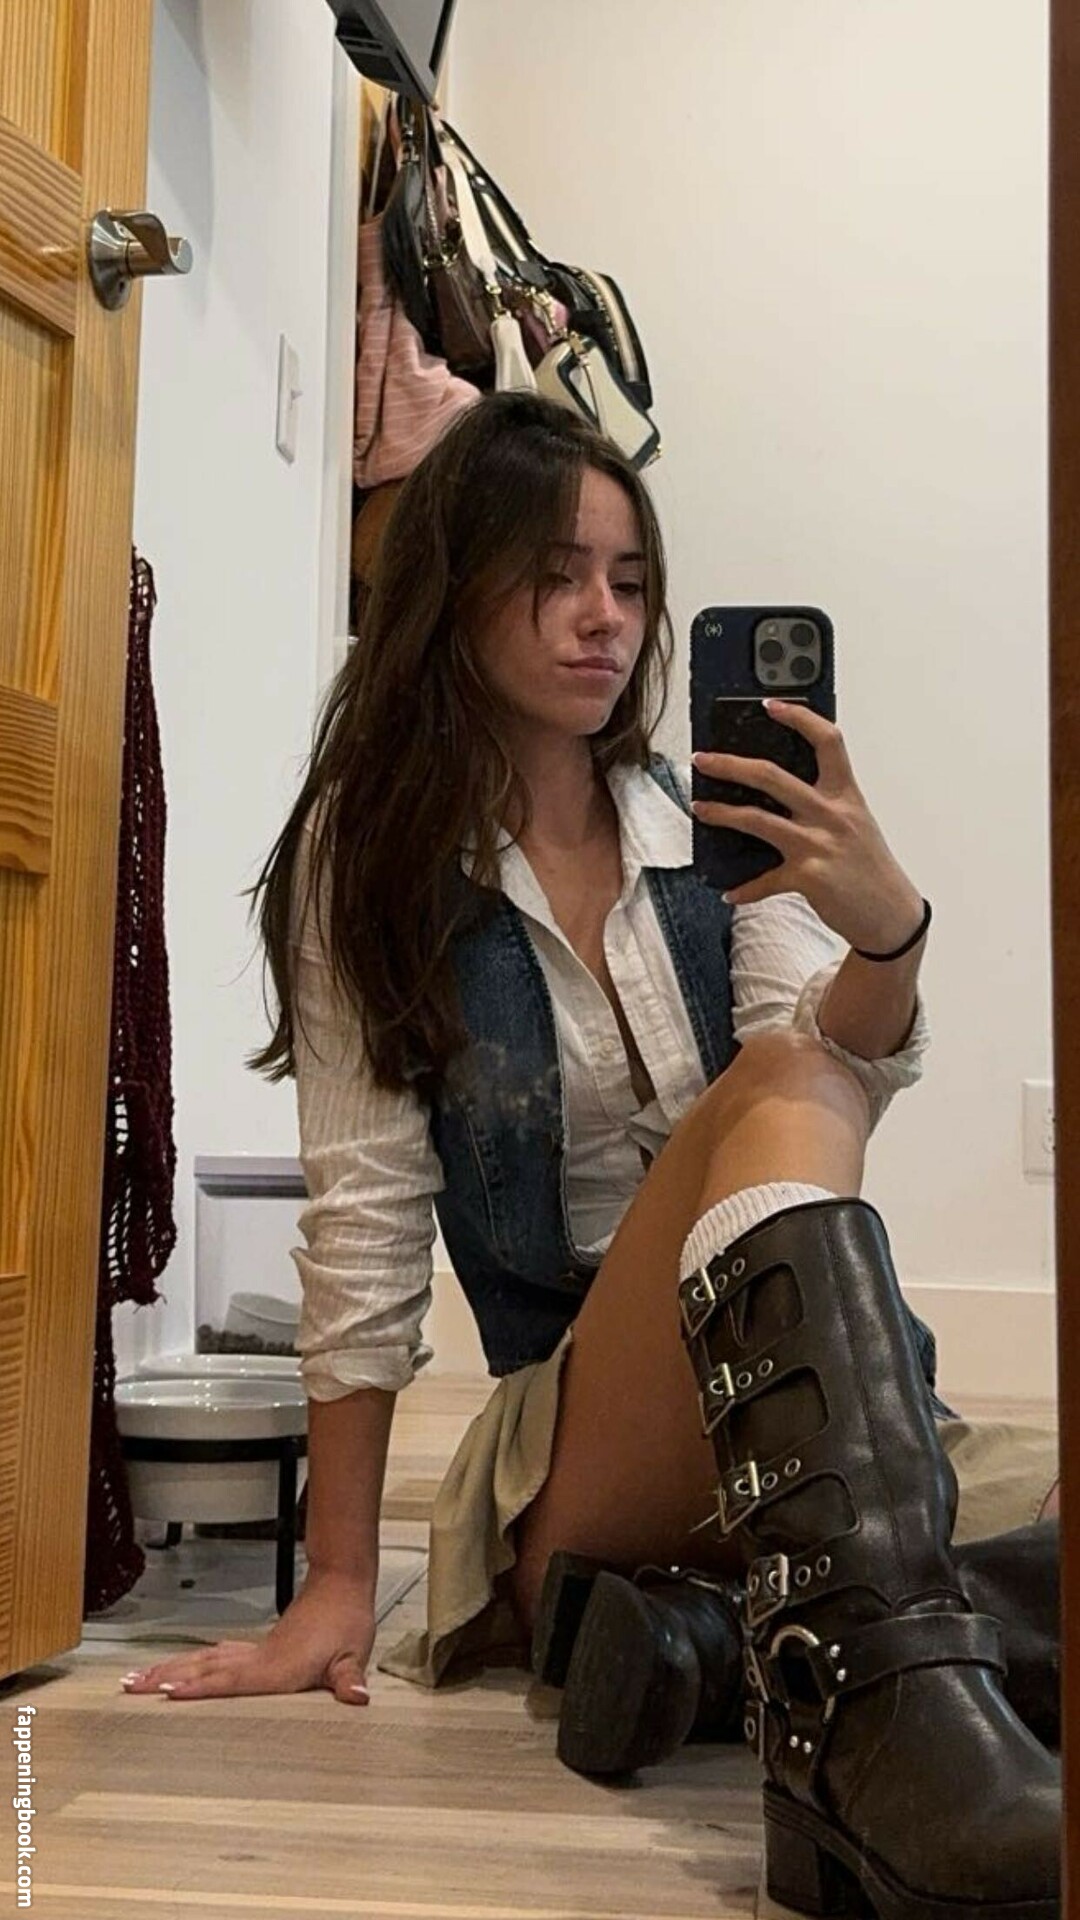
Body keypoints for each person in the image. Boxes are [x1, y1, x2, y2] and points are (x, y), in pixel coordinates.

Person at [123, 393, 1059, 1916]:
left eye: (629, 581)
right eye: (554, 575)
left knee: (809, 1085)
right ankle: (884, 1736)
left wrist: (890, 934)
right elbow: (364, 1230)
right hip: (575, 1441)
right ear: (455, 586)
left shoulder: (720, 827)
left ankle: (716, 1645)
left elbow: (834, 1087)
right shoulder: (372, 861)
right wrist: (340, 1585)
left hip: (812, 1421)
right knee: (780, 1066)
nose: (603, 616)